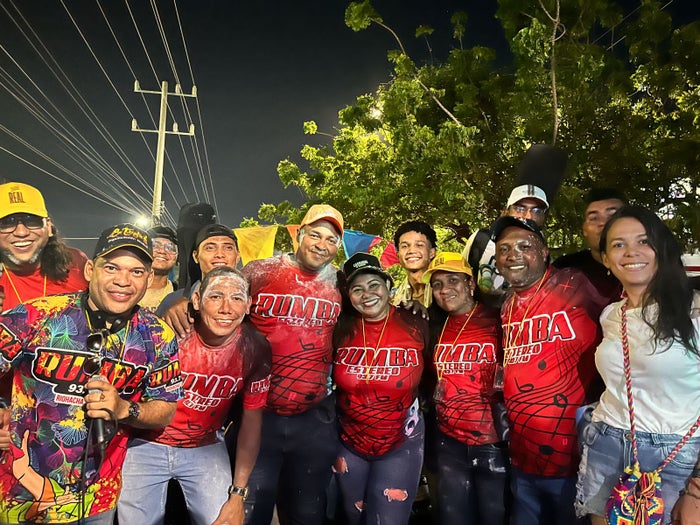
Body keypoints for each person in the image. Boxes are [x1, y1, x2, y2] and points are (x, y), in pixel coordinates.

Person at [0, 223, 182, 524]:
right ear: (89, 270)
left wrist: (125, 409)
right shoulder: (35, 315)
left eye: (136, 271)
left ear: (149, 278)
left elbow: (166, 408)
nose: (123, 280)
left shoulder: (158, 335)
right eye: (111, 267)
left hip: (99, 500)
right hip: (23, 495)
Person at [574, 206, 700, 525]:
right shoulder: (611, 315)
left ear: (661, 249)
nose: (631, 252)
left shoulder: (695, 311)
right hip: (607, 441)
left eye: (644, 241)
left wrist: (697, 488)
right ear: (606, 258)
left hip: (676, 454)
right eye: (618, 244)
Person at [118, 267, 272, 525]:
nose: (226, 308)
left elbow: (252, 421)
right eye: (216, 296)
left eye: (236, 298)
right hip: (146, 442)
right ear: (197, 300)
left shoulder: (255, 348)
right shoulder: (169, 333)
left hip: (205, 446)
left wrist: (238, 494)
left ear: (248, 305)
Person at [492, 215, 605, 525]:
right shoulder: (507, 304)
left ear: (544, 252)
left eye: (524, 246)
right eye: (504, 249)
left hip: (573, 459)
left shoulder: (575, 283)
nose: (512, 255)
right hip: (523, 457)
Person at [241, 204, 343, 525]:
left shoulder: (339, 282)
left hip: (313, 419)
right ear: (298, 234)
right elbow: (220, 299)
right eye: (315, 235)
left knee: (307, 513)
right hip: (260, 416)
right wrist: (184, 301)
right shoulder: (260, 272)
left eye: (331, 240)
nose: (321, 245)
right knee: (252, 510)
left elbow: (373, 307)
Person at [332, 252, 428, 525]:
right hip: (348, 443)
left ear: (388, 285)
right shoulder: (339, 328)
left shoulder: (416, 322)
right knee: (354, 516)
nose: (367, 294)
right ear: (348, 295)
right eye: (357, 289)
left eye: (374, 285)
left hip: (401, 442)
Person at [422, 252, 509, 525]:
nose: (444, 289)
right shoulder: (434, 326)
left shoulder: (499, 319)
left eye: (453, 280)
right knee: (454, 516)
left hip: (493, 440)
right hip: (449, 441)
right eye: (437, 284)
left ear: (470, 284)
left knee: (494, 516)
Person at [0, 181, 89, 313]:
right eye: (7, 223)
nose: (21, 232)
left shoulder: (76, 263)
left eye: (31, 221)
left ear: (48, 227)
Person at [157, 223, 240, 333]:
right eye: (210, 248)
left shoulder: (254, 299)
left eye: (228, 248)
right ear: (196, 256)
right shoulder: (172, 301)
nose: (220, 254)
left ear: (238, 256)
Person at [554, 188, 627, 303]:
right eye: (594, 218)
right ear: (584, 229)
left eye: (612, 216)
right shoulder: (564, 269)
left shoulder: (650, 267)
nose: (603, 223)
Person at [391, 221, 437, 307]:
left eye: (419, 245)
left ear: (431, 253)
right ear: (398, 255)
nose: (411, 251)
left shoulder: (444, 290)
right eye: (405, 246)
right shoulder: (398, 299)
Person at [139, 226, 179, 312]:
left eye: (170, 248)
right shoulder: (126, 288)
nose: (162, 251)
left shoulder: (181, 295)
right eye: (155, 245)